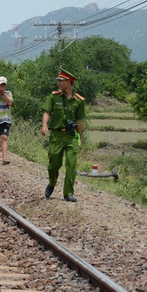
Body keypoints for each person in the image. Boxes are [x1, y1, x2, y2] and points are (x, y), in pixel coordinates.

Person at [41, 68, 86, 202]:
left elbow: (79, 121)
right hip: (56, 135)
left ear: (69, 82)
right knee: (54, 164)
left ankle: (68, 193)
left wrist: (80, 137)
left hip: (71, 136)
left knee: (71, 164)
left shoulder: (79, 101)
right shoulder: (54, 97)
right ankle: (52, 182)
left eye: (61, 81)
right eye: (58, 81)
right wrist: (44, 125)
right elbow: (47, 112)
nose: (59, 83)